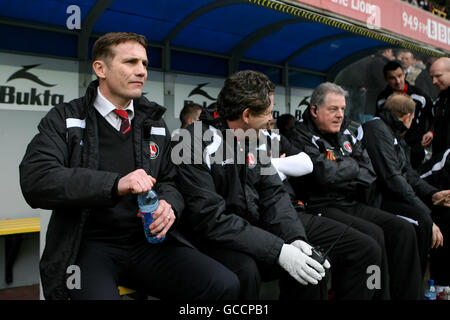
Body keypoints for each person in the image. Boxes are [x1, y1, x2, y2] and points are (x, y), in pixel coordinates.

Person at [19, 32, 239, 300]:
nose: (141, 71)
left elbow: (172, 181)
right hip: (88, 248)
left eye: (144, 64)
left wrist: (169, 205)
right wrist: (116, 183)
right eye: (131, 62)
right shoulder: (65, 118)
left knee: (224, 284)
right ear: (100, 68)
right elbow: (37, 179)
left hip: (146, 245)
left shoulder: (154, 123)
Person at [175, 70, 383, 300]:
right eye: (266, 112)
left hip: (251, 227)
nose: (269, 119)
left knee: (312, 264)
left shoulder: (250, 137)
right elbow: (208, 219)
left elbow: (273, 193)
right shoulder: (190, 140)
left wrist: (295, 238)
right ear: (246, 114)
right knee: (245, 271)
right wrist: (279, 250)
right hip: (210, 238)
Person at [289, 82, 423, 299]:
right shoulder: (300, 135)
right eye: (333, 109)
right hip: (319, 206)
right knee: (373, 237)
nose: (340, 115)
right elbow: (323, 175)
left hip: (350, 202)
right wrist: (351, 167)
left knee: (403, 230)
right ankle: (371, 294)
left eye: (342, 109)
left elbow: (369, 173)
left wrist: (341, 171)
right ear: (314, 110)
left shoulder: (347, 133)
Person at [360, 94, 449, 278]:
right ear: (408, 116)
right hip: (372, 200)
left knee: (438, 212)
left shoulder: (393, 133)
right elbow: (392, 178)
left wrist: (433, 195)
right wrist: (424, 212)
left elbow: (409, 174)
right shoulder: (376, 128)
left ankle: (436, 282)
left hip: (386, 196)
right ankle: (410, 288)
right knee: (423, 221)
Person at [419, 57, 450, 292]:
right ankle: (440, 287)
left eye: (438, 76)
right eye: (431, 76)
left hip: (443, 172)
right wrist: (431, 131)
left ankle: (441, 287)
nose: (434, 80)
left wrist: (416, 179)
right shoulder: (440, 100)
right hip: (439, 169)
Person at [376, 60, 434, 169]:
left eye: (400, 75)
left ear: (404, 74)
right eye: (392, 78)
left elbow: (433, 116)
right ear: (386, 79)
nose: (398, 81)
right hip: (391, 147)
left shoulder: (420, 96)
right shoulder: (382, 99)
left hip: (415, 147)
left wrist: (431, 132)